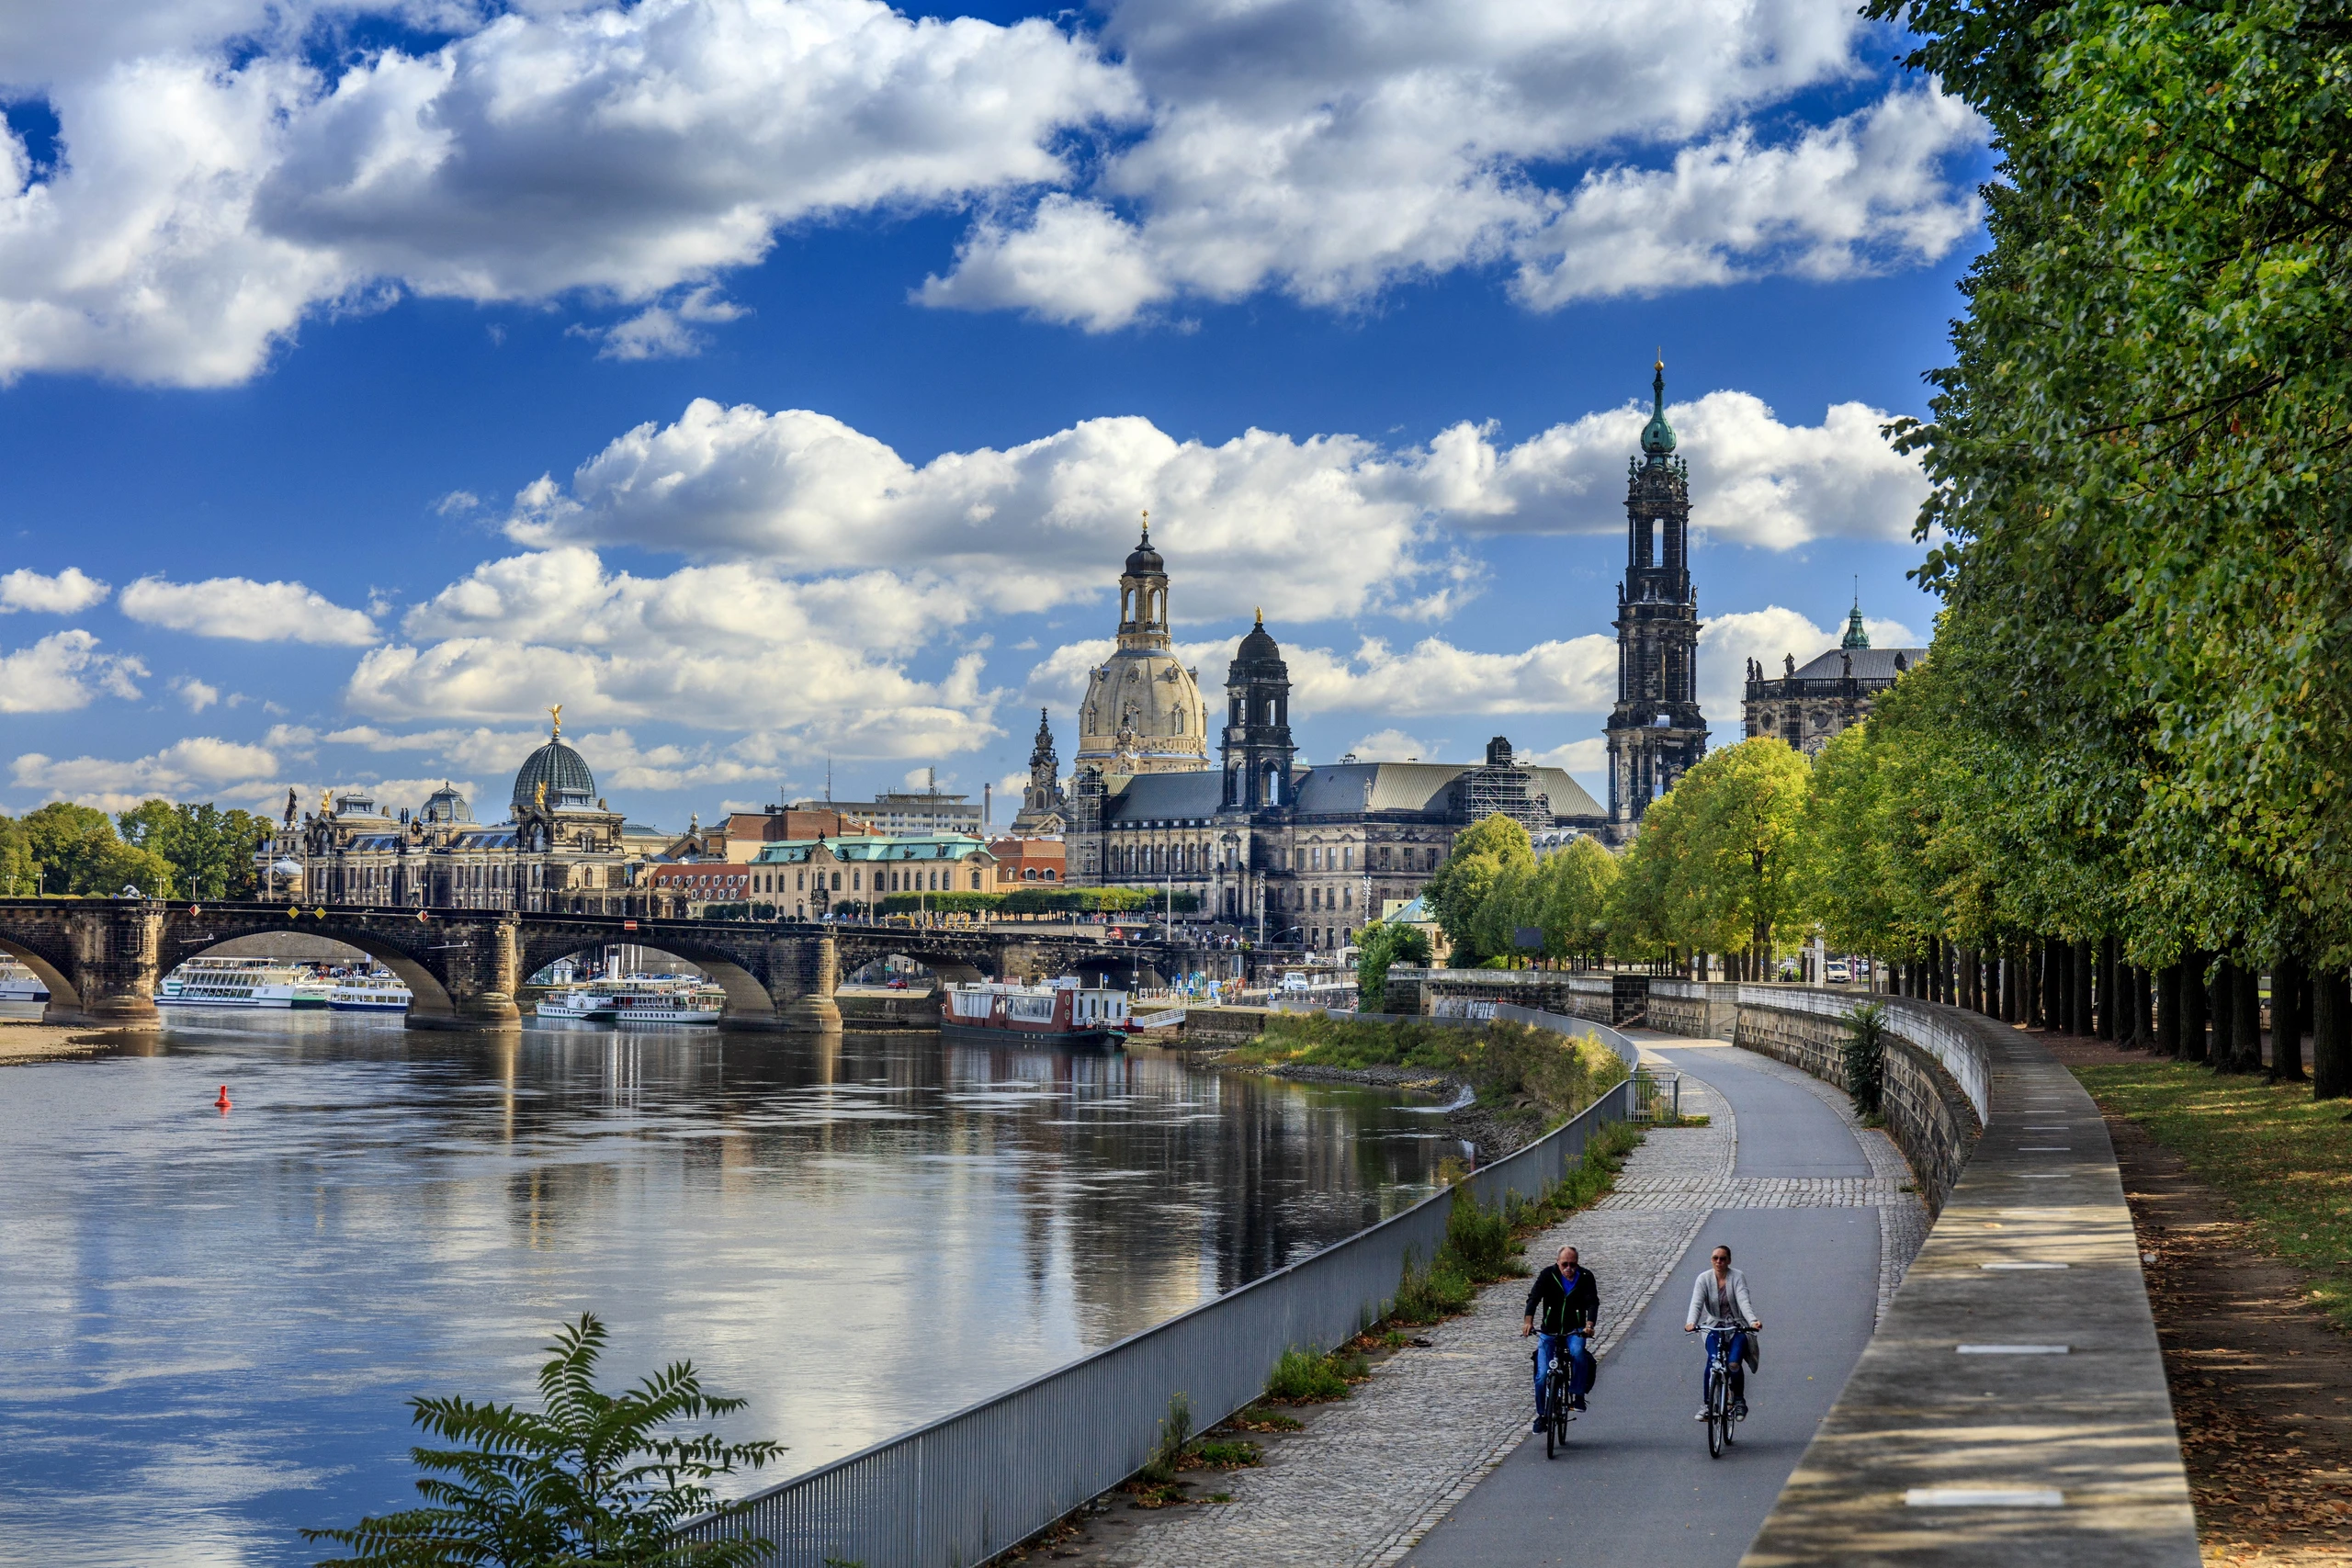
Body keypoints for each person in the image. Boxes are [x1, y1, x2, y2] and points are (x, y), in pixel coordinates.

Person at [1521, 1245, 1598, 1430]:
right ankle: (1542, 1415)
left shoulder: (1586, 1277)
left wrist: (1589, 1325)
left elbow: (1592, 1302)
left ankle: (1577, 1395)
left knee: (1578, 1353)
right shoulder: (1548, 1275)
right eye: (1565, 1264)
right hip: (1549, 1331)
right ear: (1558, 1262)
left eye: (1573, 1264)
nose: (1569, 1268)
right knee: (1541, 1376)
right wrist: (1528, 1321)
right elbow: (1534, 1297)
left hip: (1575, 1329)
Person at [1684, 1244, 1761, 1420]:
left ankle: (1739, 1401)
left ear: (1729, 1261)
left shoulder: (1737, 1277)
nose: (1718, 1262)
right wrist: (1691, 1322)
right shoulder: (1703, 1279)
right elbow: (1696, 1303)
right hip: (1714, 1326)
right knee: (1712, 1362)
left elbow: (1743, 1300)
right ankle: (1706, 1405)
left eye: (1722, 1258)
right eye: (1715, 1258)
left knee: (1734, 1363)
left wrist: (1752, 1321)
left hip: (1737, 1326)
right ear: (1711, 1260)